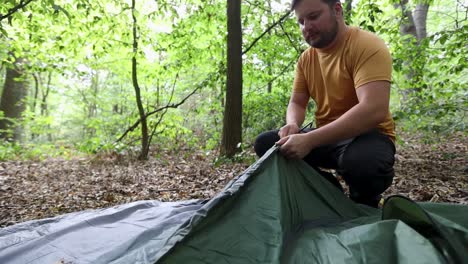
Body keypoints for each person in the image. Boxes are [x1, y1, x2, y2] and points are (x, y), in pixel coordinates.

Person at [254, 0, 396, 208]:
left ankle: (365, 200)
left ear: (337, 10)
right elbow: (297, 102)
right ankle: (329, 191)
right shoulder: (306, 60)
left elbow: (373, 109)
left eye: (313, 17)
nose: (306, 27)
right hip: (326, 138)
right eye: (301, 22)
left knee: (362, 163)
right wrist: (293, 123)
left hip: (368, 135)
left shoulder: (366, 45)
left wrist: (310, 140)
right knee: (267, 145)